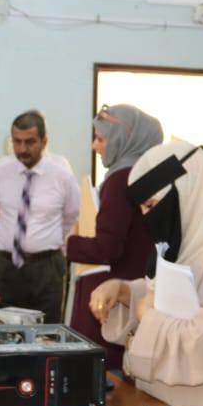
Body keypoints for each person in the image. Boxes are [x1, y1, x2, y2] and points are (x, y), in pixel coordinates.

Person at [90, 142, 203, 406]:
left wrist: (148, 316)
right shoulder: (184, 243)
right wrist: (123, 291)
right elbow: (169, 297)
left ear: (186, 191)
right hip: (162, 405)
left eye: (151, 205)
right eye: (142, 208)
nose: (147, 216)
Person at [64, 105, 162, 370]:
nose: (95, 146)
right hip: (136, 287)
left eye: (101, 139)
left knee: (102, 377)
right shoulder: (148, 175)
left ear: (123, 140)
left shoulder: (121, 179)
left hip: (112, 295)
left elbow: (107, 247)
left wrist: (70, 243)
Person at [0, 110, 80, 319]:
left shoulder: (62, 176)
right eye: (17, 142)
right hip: (7, 267)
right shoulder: (1, 172)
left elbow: (71, 216)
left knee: (46, 331)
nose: (22, 149)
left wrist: (43, 239)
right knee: (3, 329)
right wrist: (12, 236)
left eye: (29, 142)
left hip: (46, 268)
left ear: (44, 142)